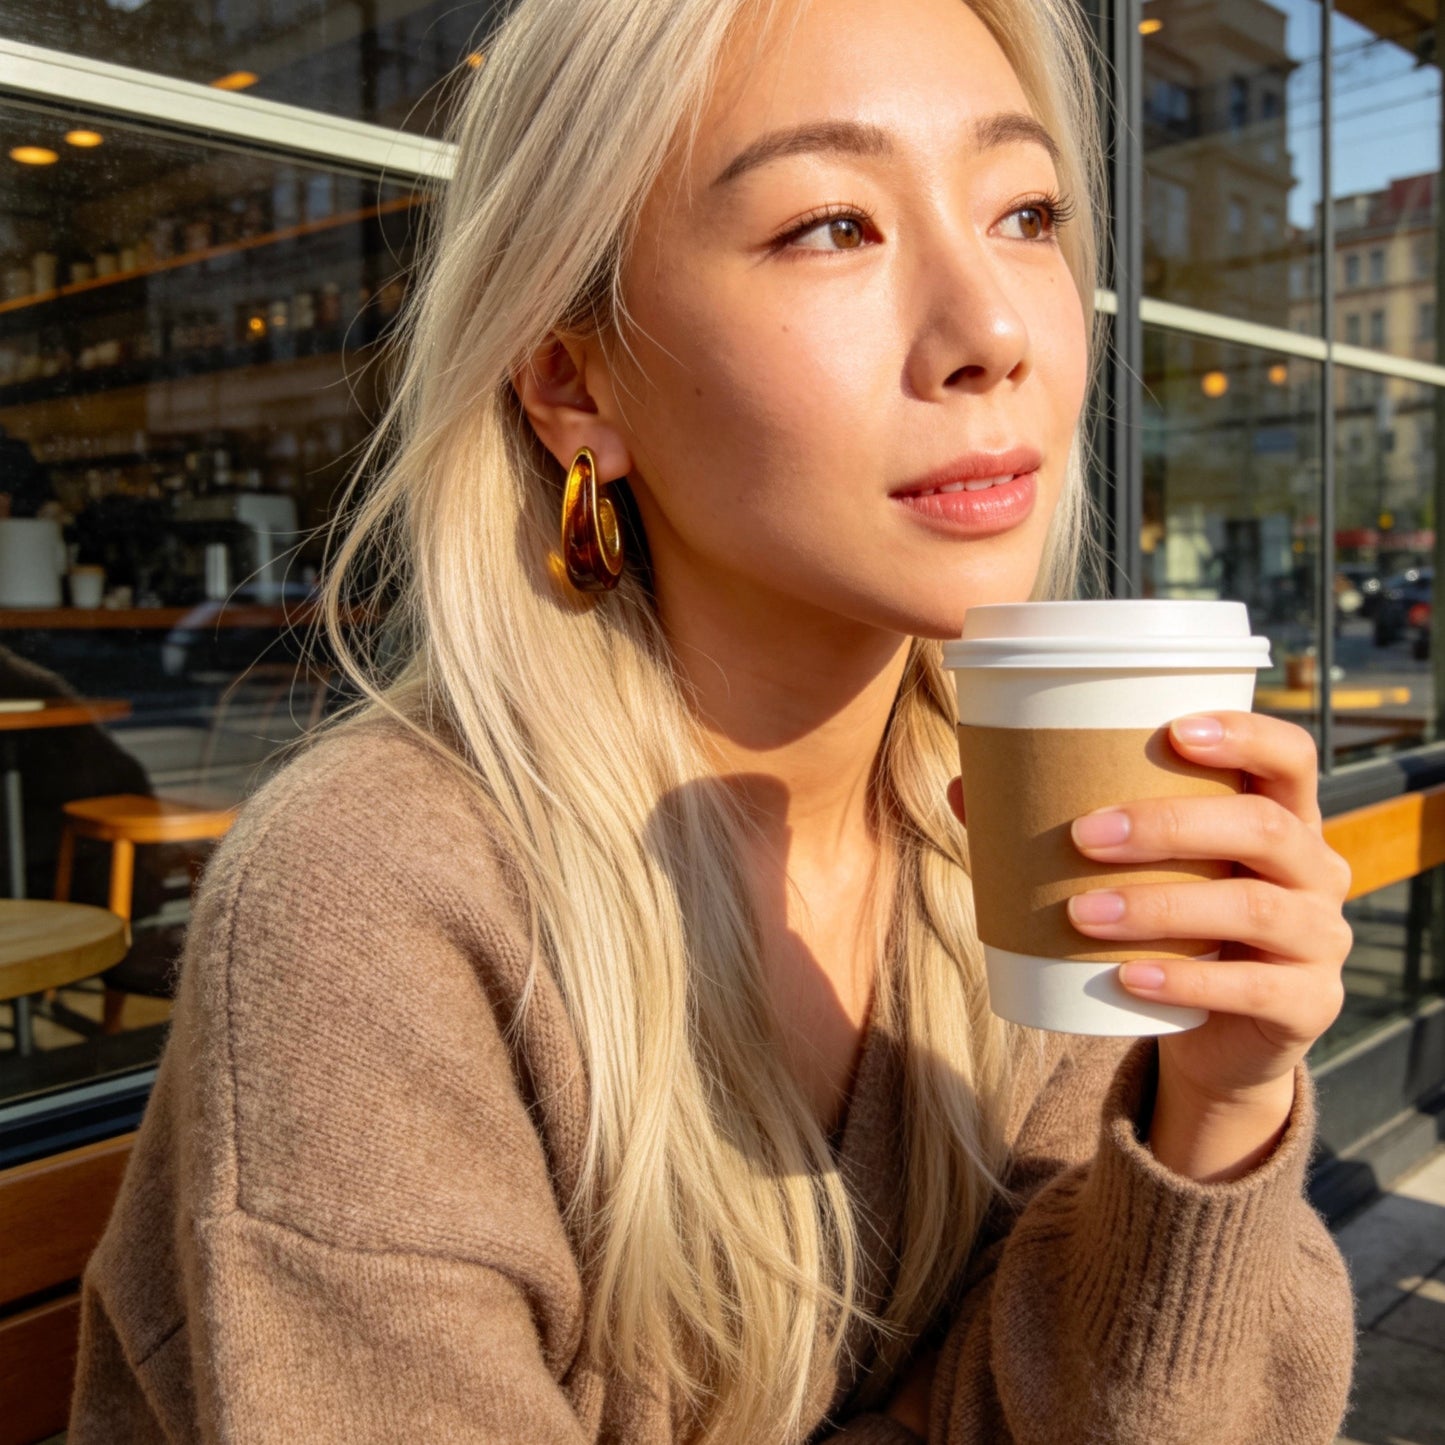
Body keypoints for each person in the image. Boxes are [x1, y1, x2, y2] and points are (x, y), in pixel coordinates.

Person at [68, 0, 1357, 1440]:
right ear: (575, 382)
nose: (992, 329)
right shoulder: (378, 894)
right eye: (829, 226)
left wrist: (1218, 1107)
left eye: (1026, 210)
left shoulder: (1015, 832)